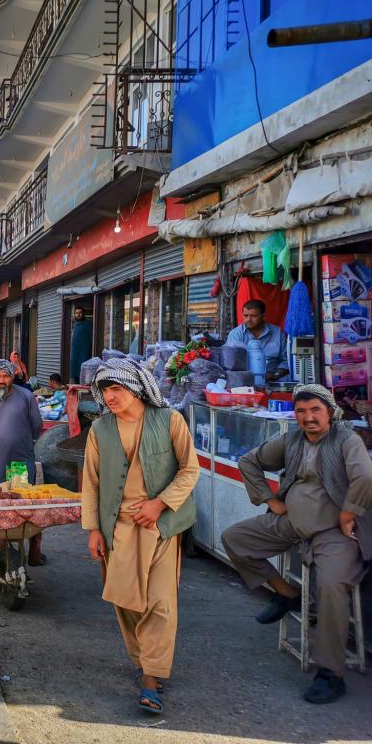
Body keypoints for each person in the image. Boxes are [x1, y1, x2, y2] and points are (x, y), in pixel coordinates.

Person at [221, 384, 372, 704]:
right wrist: (270, 500)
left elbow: (365, 477)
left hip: (334, 531)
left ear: (330, 412)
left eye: (315, 410)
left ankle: (330, 673)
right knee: (235, 539)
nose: (308, 418)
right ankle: (287, 594)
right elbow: (249, 461)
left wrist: (348, 514)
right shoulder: (291, 440)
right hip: (291, 522)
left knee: (332, 585)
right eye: (301, 411)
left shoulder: (346, 440)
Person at [81, 358, 199, 715]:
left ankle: (152, 676)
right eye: (105, 391)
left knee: (160, 602)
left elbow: (190, 469)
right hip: (116, 525)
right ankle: (142, 658)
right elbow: (91, 483)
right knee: (125, 600)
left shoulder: (169, 420)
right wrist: (93, 530)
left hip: (161, 526)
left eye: (117, 389)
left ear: (136, 388)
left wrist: (161, 504)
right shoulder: (100, 430)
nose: (110, 397)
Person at [0, 359, 45, 564]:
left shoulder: (26, 397)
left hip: (21, 462)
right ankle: (0, 543)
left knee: (26, 506)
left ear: (12, 377)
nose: (1, 381)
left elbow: (36, 427)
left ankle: (33, 550)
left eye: (5, 376)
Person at [226, 299, 289, 380]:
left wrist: (275, 375)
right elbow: (231, 363)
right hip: (244, 380)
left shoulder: (278, 333)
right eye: (246, 315)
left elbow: (286, 360)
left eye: (254, 316)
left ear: (263, 316)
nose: (249, 319)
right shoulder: (235, 334)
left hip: (274, 379)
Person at [70, 307, 93, 383]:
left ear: (83, 314)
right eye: (76, 313)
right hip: (75, 354)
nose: (78, 315)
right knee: (76, 374)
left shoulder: (88, 324)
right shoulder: (75, 325)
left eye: (80, 313)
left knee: (83, 374)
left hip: (84, 354)